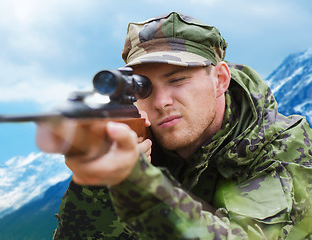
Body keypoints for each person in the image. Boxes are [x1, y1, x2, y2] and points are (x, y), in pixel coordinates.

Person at [36, 12, 312, 239]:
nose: (161, 102)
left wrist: (138, 183)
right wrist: (98, 185)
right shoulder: (143, 141)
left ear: (220, 79)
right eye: (144, 88)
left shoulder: (283, 145)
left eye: (177, 80)